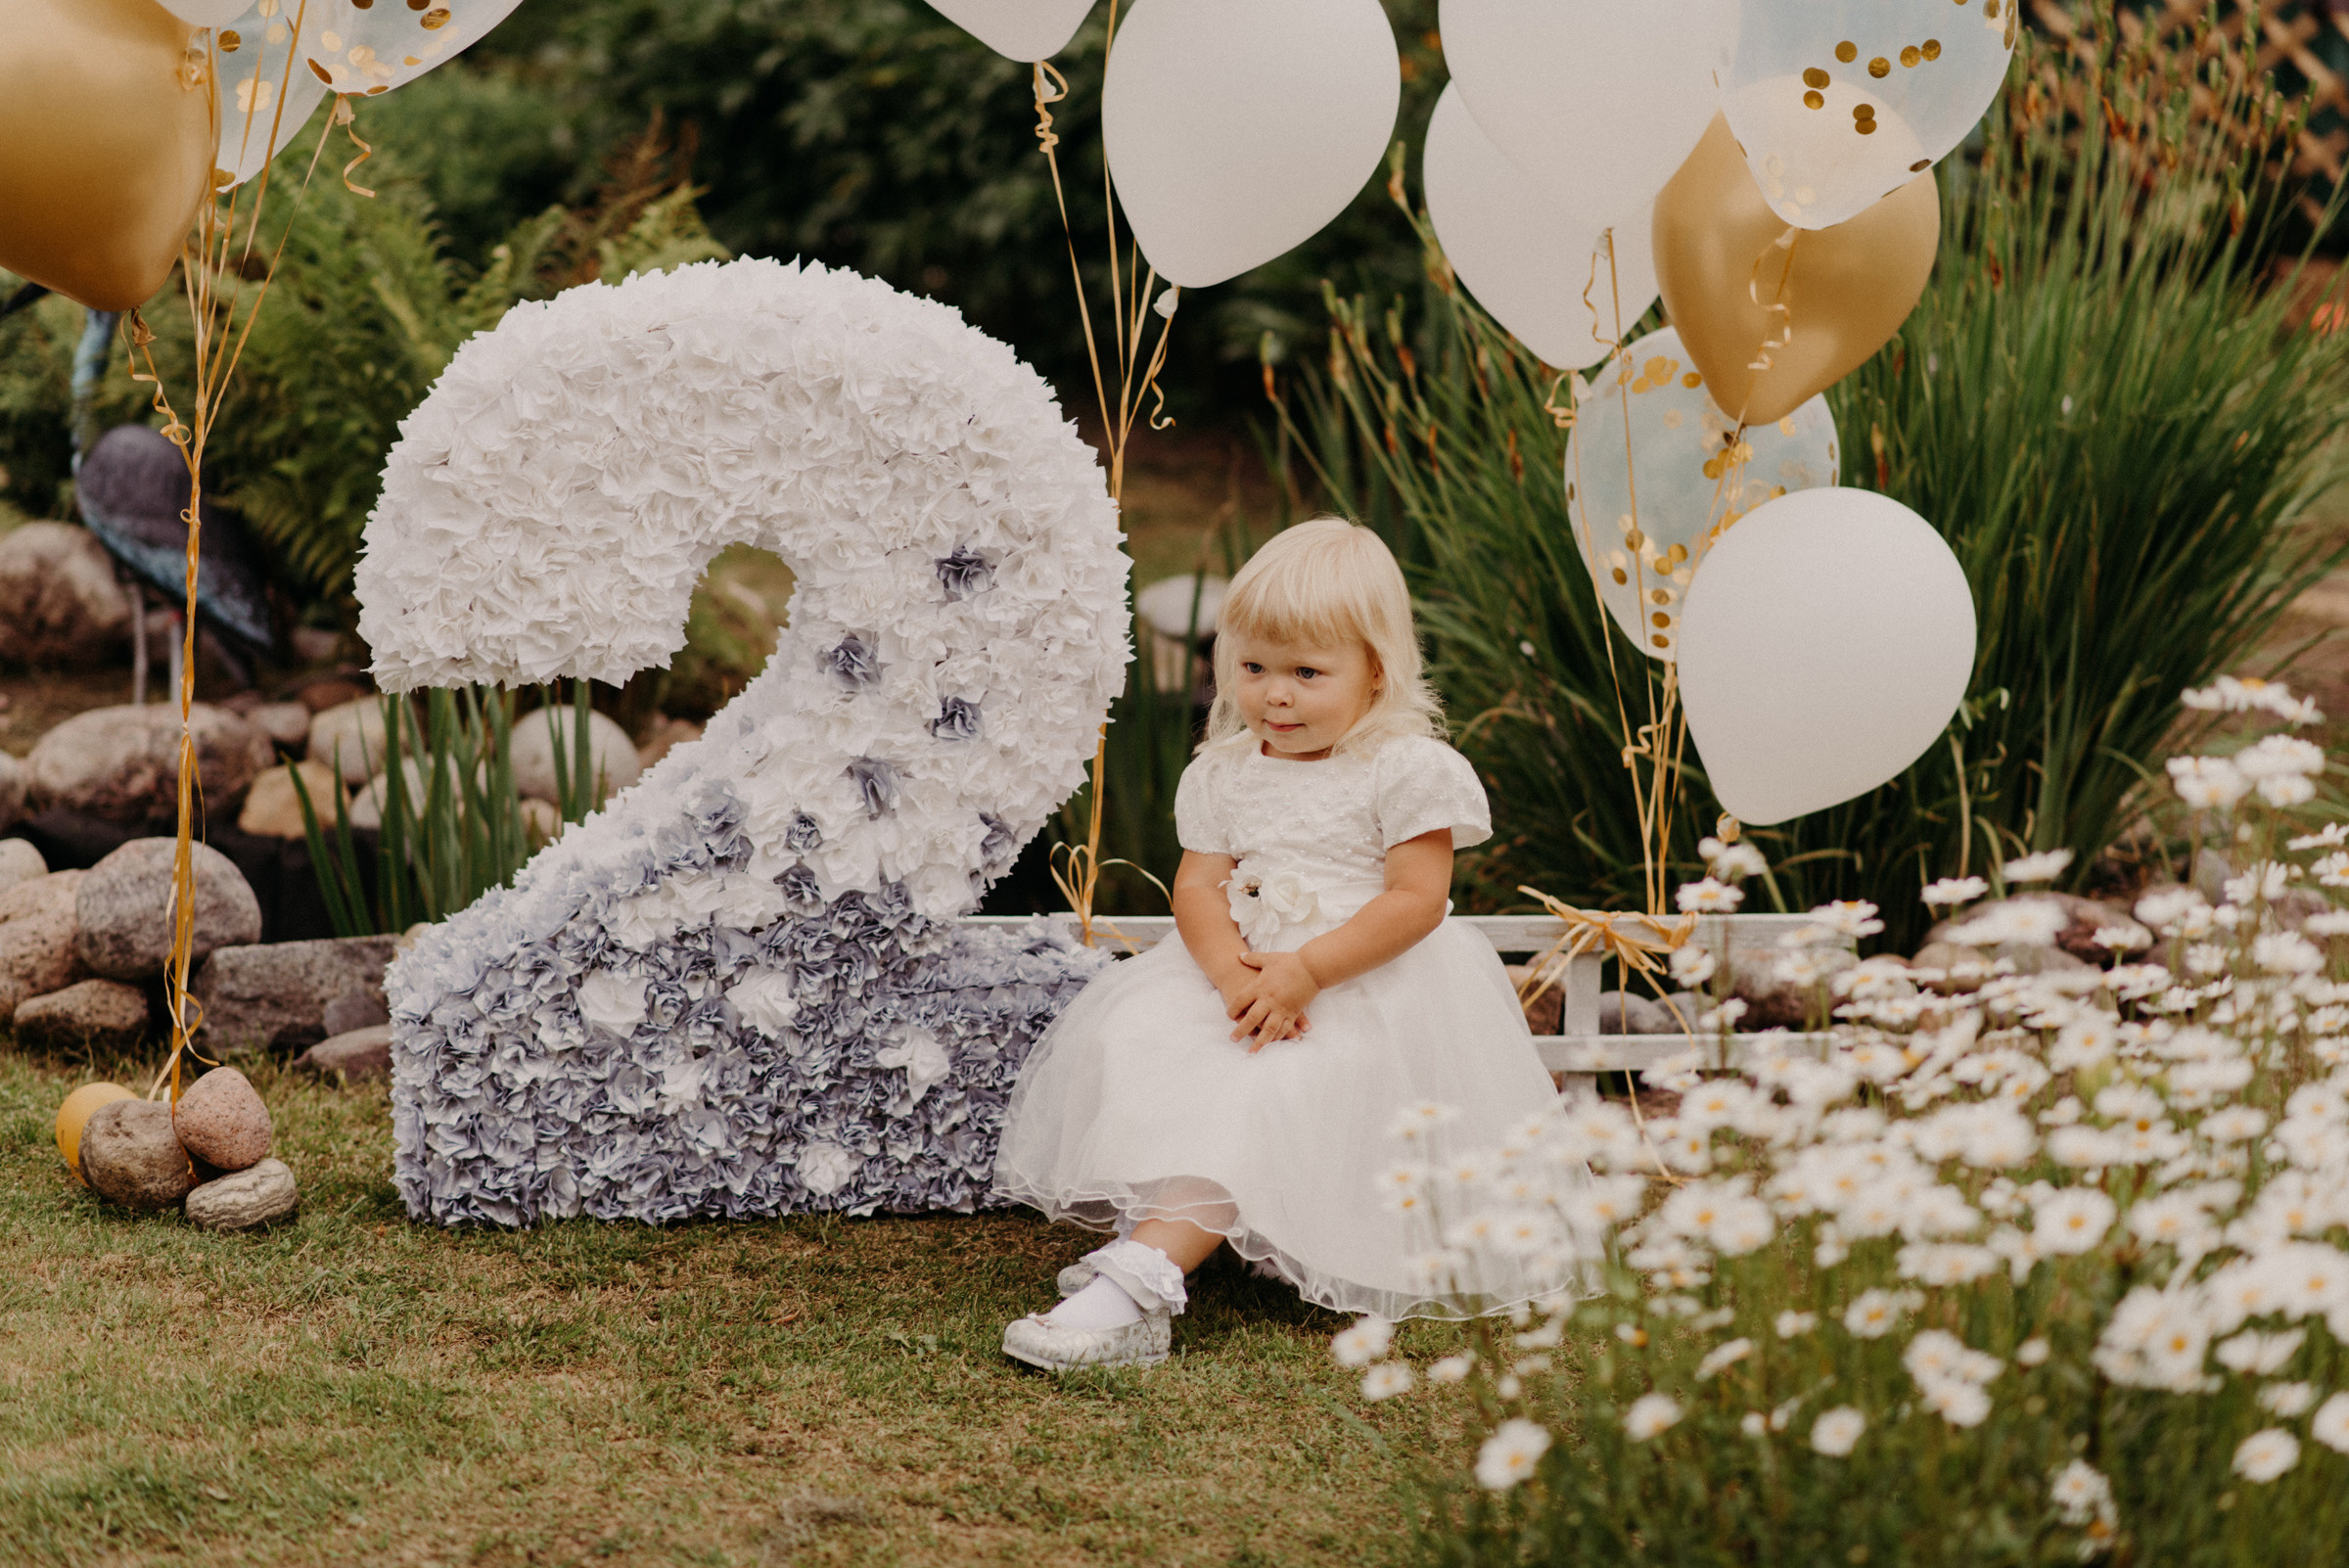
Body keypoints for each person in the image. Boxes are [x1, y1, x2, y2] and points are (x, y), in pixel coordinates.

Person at [991, 517, 1561, 1370]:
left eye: (1306, 673)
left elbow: (1418, 899)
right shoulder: (1226, 768)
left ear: (1375, 670)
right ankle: (1172, 1232)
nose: (1274, 696)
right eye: (1253, 668)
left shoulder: (1403, 766)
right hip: (1244, 969)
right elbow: (1196, 884)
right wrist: (1228, 972)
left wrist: (1307, 970)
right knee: (1151, 1039)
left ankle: (1141, 1282)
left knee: (1278, 1084)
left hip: (1362, 980)